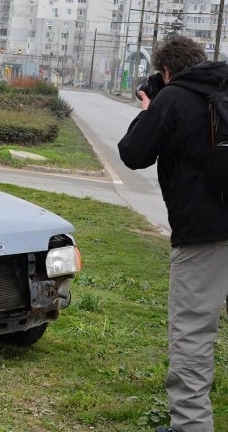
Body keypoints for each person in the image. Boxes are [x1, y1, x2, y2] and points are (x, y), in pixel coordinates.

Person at [117, 35, 228, 432]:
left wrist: (150, 109)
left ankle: (191, 426)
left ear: (166, 71)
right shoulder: (223, 89)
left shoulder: (174, 98)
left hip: (203, 237)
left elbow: (133, 153)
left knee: (192, 337)